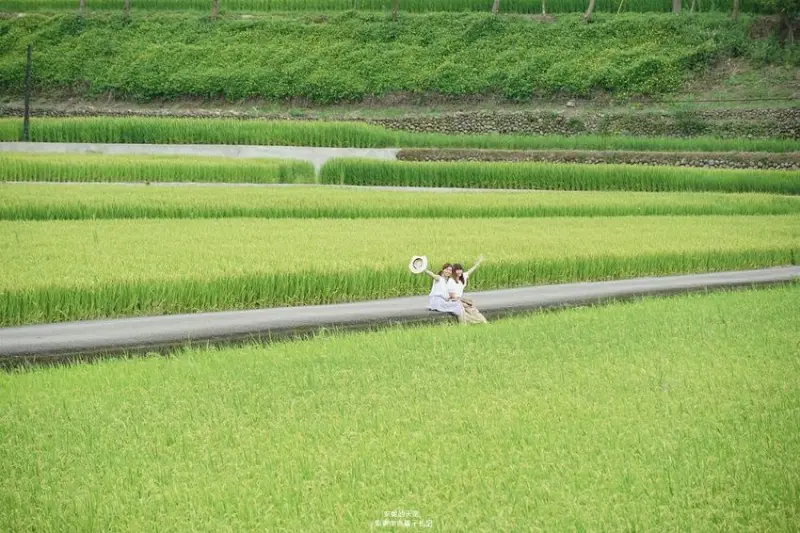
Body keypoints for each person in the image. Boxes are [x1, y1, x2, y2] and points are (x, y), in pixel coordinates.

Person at [448, 257, 488, 324]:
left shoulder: (462, 277)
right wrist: (456, 299)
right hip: (453, 300)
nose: (459, 271)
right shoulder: (451, 280)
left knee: (472, 310)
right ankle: (467, 323)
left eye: (460, 270)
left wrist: (477, 264)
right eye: (457, 270)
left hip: (459, 299)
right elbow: (450, 293)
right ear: (454, 271)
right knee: (462, 311)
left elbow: (470, 271)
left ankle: (482, 321)